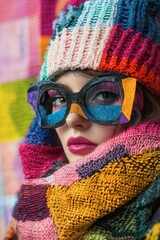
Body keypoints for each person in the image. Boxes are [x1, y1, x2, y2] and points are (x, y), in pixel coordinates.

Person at [5, 0, 160, 239]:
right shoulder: (31, 209)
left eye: (104, 94)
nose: (72, 119)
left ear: (146, 103)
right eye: (58, 99)